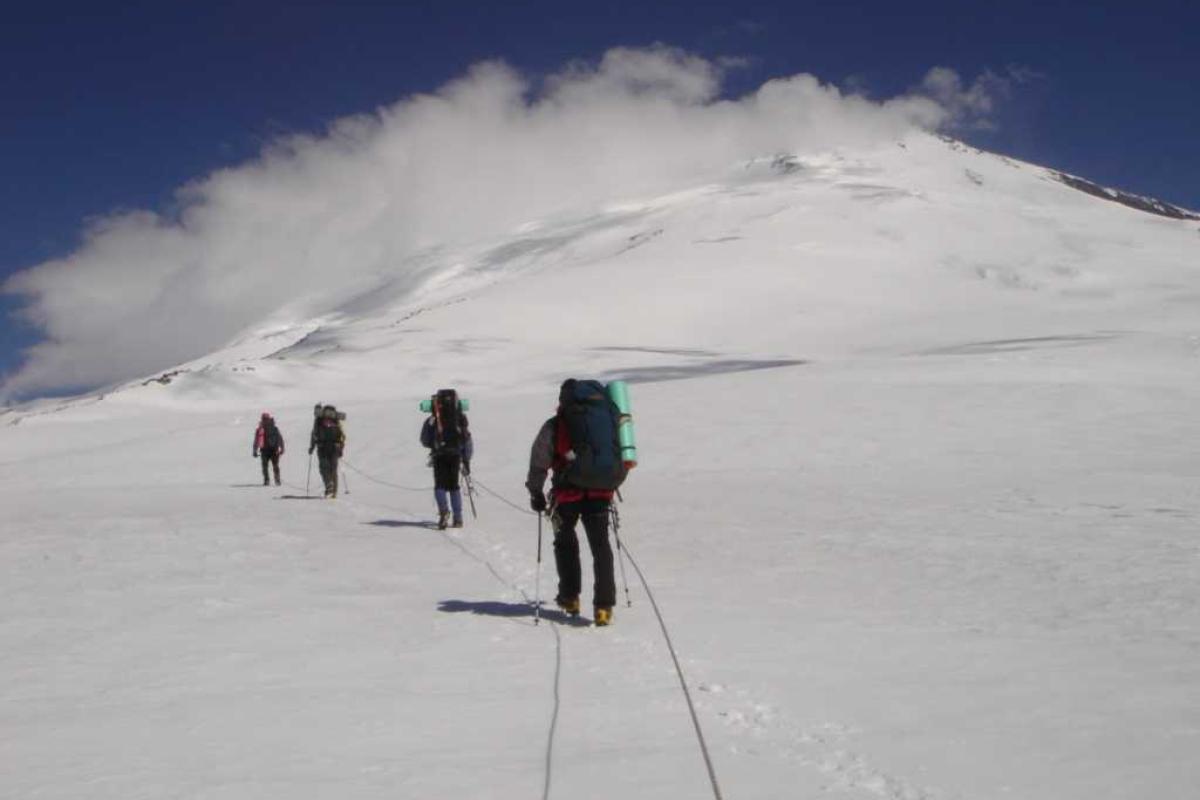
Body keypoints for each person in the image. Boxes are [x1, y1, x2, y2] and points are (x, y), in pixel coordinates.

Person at [526, 379, 621, 626]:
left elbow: (540, 458)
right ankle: (604, 607)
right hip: (601, 493)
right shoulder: (605, 418)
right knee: (601, 547)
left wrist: (535, 491)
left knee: (565, 543)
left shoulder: (557, 424)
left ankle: (570, 598)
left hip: (567, 494)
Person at [420, 389, 473, 529]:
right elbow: (467, 439)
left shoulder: (433, 419)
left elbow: (424, 440)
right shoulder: (460, 418)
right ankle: (458, 518)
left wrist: (434, 445)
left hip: (439, 455)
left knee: (440, 485)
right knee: (454, 486)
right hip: (455, 455)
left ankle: (444, 512)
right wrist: (466, 460)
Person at [309, 404, 346, 498]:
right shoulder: (336, 420)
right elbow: (342, 435)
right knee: (333, 470)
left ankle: (329, 486)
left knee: (323, 468)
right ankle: (334, 492)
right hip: (335, 447)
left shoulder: (318, 420)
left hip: (322, 447)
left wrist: (312, 447)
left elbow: (314, 434)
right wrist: (341, 448)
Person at [252, 412, 285, 486]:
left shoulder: (273, 429)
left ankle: (276, 480)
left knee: (274, 466)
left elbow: (280, 439)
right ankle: (268, 480)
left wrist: (282, 448)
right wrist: (255, 450)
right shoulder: (261, 430)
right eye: (264, 419)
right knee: (266, 466)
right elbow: (256, 441)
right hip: (265, 450)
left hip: (273, 450)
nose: (265, 421)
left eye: (266, 419)